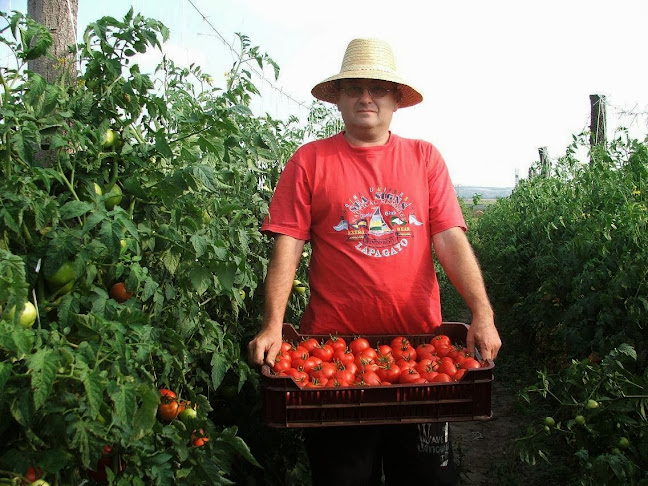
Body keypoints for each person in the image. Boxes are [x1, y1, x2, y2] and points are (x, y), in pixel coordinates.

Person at [248, 38, 501, 486]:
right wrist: (273, 324)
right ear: (340, 98)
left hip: (422, 352)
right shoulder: (310, 160)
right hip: (332, 356)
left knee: (426, 478)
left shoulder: (424, 158)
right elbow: (288, 244)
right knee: (344, 477)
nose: (367, 97)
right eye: (355, 88)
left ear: (396, 100)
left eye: (379, 88)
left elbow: (449, 239)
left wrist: (482, 313)